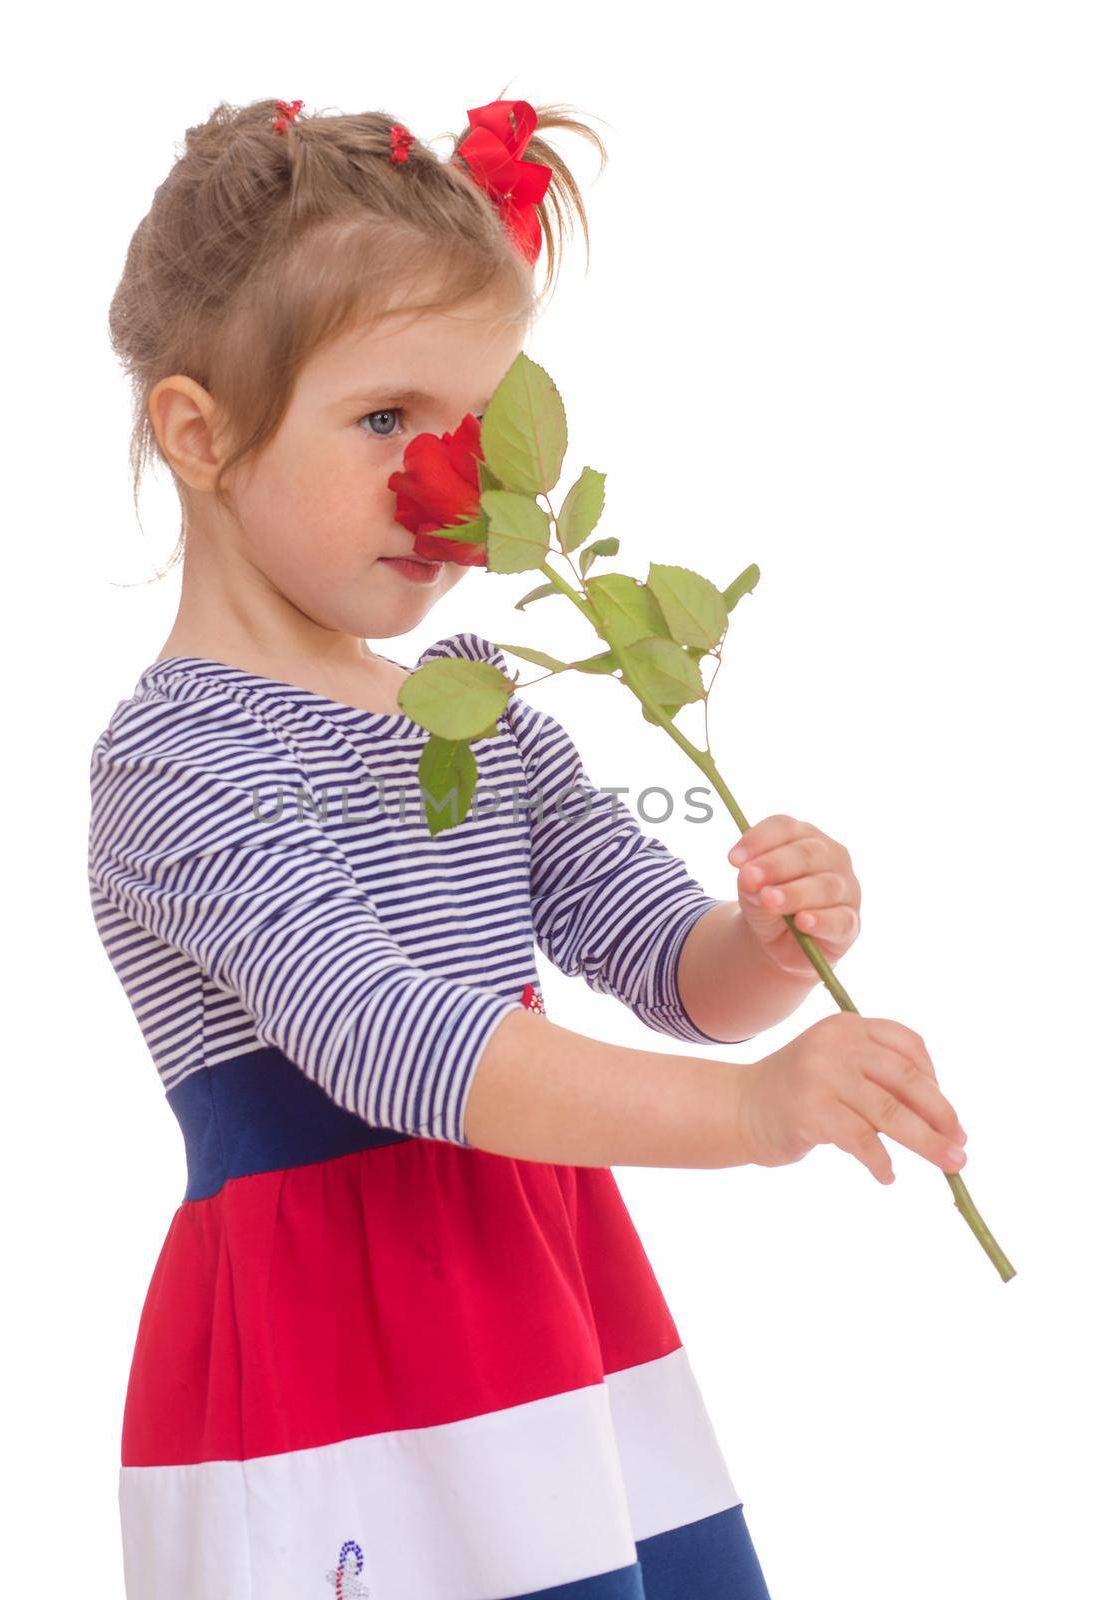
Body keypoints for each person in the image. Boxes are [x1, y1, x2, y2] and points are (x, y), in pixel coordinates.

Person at [87, 92, 969, 1600]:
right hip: (343, 1372)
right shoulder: (181, 763)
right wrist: (752, 1112)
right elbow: (389, 1039)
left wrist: (760, 946)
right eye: (384, 422)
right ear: (201, 430)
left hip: (544, 1311)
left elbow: (657, 956)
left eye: (476, 429)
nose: (456, 488)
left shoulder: (482, 710)